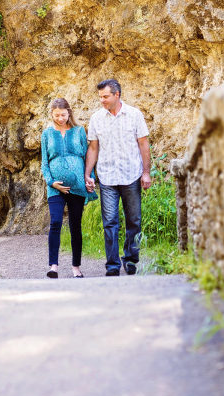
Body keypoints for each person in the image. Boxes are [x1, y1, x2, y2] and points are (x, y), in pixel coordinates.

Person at [84, 79, 151, 276]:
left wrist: (146, 172)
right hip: (107, 177)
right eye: (100, 97)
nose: (102, 100)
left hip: (131, 175)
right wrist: (88, 173)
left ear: (117, 95)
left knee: (134, 220)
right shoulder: (96, 118)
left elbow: (143, 144)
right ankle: (112, 265)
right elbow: (94, 148)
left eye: (105, 96)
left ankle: (131, 260)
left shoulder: (134, 115)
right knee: (110, 222)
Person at [40, 98, 97, 278]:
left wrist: (90, 178)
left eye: (63, 115)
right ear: (51, 114)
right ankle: (53, 266)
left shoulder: (79, 131)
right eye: (56, 115)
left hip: (77, 185)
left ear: (69, 112)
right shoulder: (47, 134)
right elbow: (44, 163)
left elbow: (87, 156)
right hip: (55, 187)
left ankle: (76, 267)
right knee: (55, 221)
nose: (60, 118)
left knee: (75, 225)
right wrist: (51, 182)